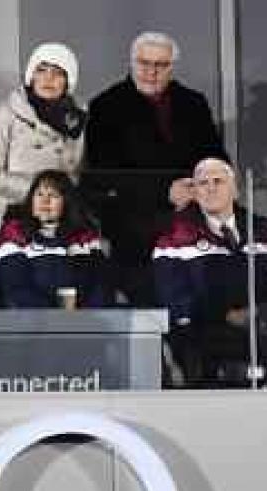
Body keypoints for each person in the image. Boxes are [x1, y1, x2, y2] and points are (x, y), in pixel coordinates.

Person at [85, 31, 227, 305]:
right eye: (144, 63)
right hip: (136, 222)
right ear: (131, 63)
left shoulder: (193, 103)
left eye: (160, 65)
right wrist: (165, 191)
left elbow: (215, 156)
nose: (151, 71)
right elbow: (106, 173)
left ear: (172, 67)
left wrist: (200, 186)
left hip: (196, 212)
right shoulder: (106, 105)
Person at [0, 42, 87, 297]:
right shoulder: (7, 113)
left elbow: (75, 171)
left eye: (58, 72)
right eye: (42, 70)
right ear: (31, 75)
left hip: (55, 213)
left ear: (68, 81)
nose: (48, 78)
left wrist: (59, 197)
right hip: (4, 209)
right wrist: (38, 193)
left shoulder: (77, 118)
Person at [153, 158, 267, 385]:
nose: (210, 188)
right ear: (195, 193)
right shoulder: (175, 236)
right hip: (207, 338)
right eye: (203, 183)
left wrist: (262, 312)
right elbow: (173, 298)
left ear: (235, 189)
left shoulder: (263, 229)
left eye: (218, 181)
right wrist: (225, 315)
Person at [0, 170, 109, 308]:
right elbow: (17, 289)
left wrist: (86, 319)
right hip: (35, 321)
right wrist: (55, 317)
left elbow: (99, 286)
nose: (45, 201)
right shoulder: (15, 235)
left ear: (66, 202)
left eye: (53, 195)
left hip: (82, 321)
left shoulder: (85, 238)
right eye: (39, 194)